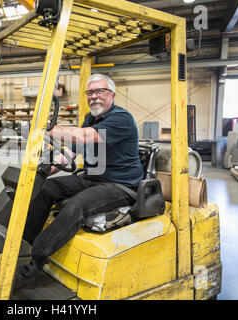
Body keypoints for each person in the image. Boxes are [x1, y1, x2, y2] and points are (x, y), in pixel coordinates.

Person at [16, 73, 144, 287]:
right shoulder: (90, 119)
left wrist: (46, 130)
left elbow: (84, 136)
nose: (94, 97)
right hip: (94, 178)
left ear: (112, 94)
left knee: (76, 205)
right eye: (90, 92)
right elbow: (72, 152)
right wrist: (43, 172)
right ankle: (21, 245)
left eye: (100, 91)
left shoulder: (121, 119)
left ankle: (34, 264)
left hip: (121, 185)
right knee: (46, 188)